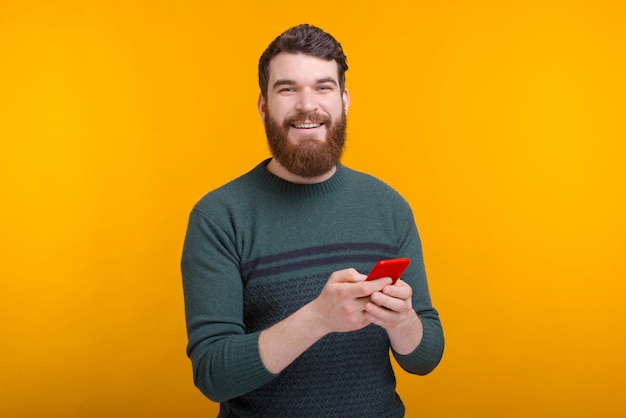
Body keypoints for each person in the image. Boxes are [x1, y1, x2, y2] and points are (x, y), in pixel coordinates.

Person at [181, 24, 444, 417]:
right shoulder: (219, 216)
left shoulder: (388, 207)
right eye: (287, 89)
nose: (308, 105)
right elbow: (213, 374)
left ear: (344, 100)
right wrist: (318, 318)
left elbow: (424, 359)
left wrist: (403, 321)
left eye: (323, 87)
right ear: (263, 106)